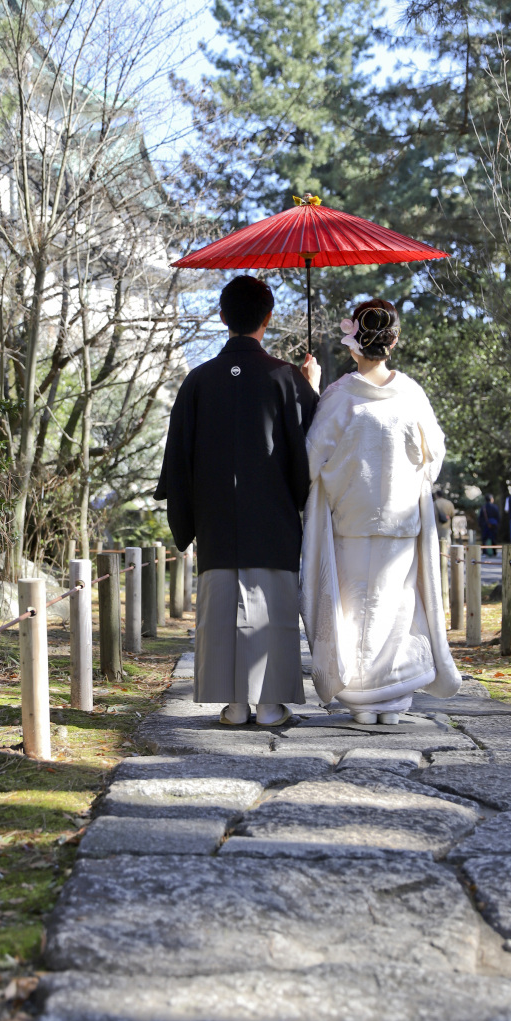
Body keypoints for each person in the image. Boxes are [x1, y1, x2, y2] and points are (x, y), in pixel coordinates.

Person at [154, 275, 320, 727]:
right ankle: (269, 705)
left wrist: (188, 520)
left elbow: (178, 461)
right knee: (275, 611)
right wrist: (312, 387)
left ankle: (233, 704)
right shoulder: (288, 379)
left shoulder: (198, 380)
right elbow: (316, 450)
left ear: (222, 316)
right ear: (268, 318)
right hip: (273, 521)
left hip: (217, 522)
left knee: (221, 610)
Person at [301, 298, 461, 725]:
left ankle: (361, 697)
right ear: (394, 340)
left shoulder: (339, 396)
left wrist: (311, 393)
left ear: (354, 344)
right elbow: (434, 456)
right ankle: (390, 701)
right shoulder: (411, 394)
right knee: (394, 611)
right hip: (400, 519)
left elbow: (312, 457)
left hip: (352, 519)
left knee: (352, 610)